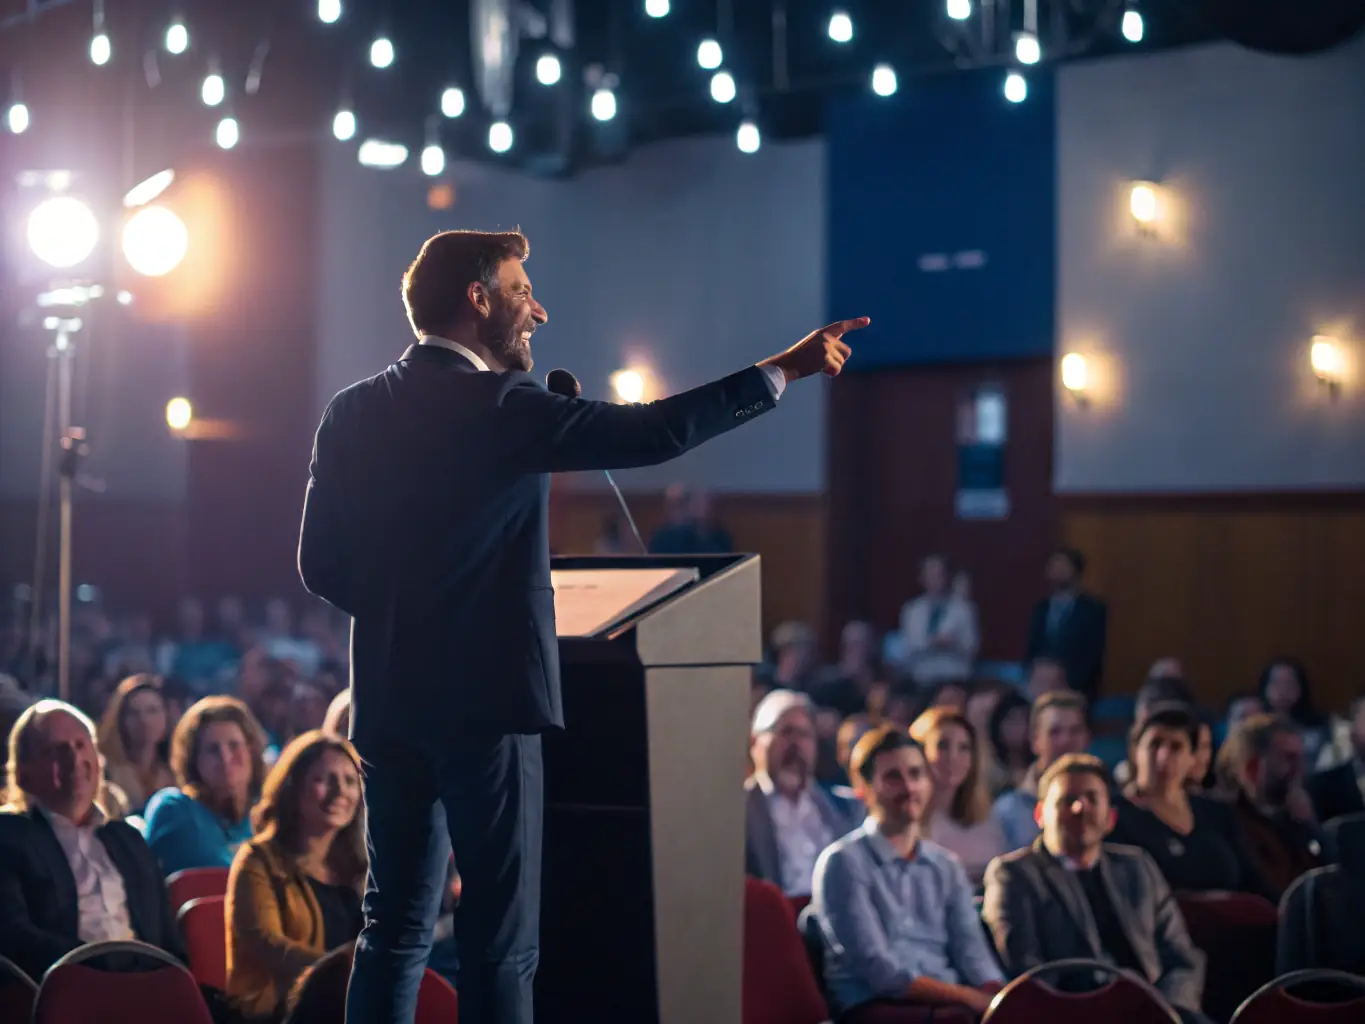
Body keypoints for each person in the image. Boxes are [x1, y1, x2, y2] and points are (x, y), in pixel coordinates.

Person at [296, 228, 867, 1024]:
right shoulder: (501, 405)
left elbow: (320, 565)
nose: (539, 308)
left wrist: (411, 614)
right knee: (501, 943)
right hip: (490, 708)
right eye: (523, 290)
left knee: (390, 929)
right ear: (478, 298)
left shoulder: (351, 410)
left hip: (390, 700)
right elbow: (654, 433)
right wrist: (783, 370)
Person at [982, 753, 1211, 1024]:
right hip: (1072, 1014)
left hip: (1155, 1010)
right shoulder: (1014, 874)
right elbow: (1028, 971)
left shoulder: (1136, 867)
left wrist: (1165, 1010)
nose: (1080, 808)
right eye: (1068, 800)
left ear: (1110, 818)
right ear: (1040, 814)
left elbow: (1182, 957)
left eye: (1092, 799)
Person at [811, 726, 1004, 1020]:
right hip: (872, 1006)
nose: (909, 787)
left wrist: (998, 996)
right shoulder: (842, 863)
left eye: (916, 774)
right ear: (863, 787)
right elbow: (881, 973)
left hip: (946, 1001)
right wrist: (971, 999)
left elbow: (973, 952)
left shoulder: (945, 865)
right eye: (892, 777)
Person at [0, 700, 182, 981]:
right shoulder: (11, 837)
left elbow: (168, 937)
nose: (74, 759)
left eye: (81, 745)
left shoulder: (127, 839)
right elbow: (14, 935)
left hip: (148, 985)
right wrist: (102, 966)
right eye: (56, 750)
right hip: (67, 991)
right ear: (24, 775)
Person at [226, 731, 367, 1021]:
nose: (340, 791)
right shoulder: (258, 860)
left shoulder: (358, 867)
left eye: (350, 781)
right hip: (276, 1013)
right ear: (293, 788)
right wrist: (348, 972)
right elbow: (268, 946)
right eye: (324, 779)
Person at [1109, 703, 1268, 896]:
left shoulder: (1217, 813)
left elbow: (1254, 882)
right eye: (1155, 744)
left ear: (1193, 757)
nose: (1163, 756)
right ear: (1135, 751)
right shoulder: (1113, 815)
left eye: (1176, 747)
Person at [744, 690, 861, 897]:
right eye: (785, 731)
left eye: (804, 734)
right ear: (755, 742)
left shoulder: (848, 807)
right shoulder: (738, 809)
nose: (796, 744)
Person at [143, 695, 265, 874]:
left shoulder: (266, 814)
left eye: (234, 745)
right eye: (212, 750)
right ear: (193, 760)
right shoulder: (175, 809)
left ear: (251, 752)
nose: (225, 758)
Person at [908, 707, 1010, 885]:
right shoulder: (905, 821)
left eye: (964, 748)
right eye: (942, 746)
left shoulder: (988, 822)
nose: (953, 757)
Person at [993, 691, 1092, 850]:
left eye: (1075, 731)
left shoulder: (1107, 803)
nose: (1066, 740)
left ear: (1087, 738)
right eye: (1055, 732)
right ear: (1035, 740)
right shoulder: (1006, 812)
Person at [1024, 549, 1107, 698]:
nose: (1057, 571)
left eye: (1062, 566)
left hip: (1077, 687)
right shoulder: (1042, 607)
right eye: (1053, 566)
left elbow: (1092, 653)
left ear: (1076, 570)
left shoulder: (1093, 609)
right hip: (1040, 684)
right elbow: (1032, 647)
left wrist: (1066, 680)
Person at [97, 674, 176, 814]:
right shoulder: (105, 772)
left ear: (167, 715)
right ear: (120, 720)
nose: (144, 720)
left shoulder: (176, 772)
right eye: (133, 713)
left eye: (153, 711)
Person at [898, 555, 979, 686]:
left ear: (947, 576)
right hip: (921, 680)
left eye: (938, 574)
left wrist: (954, 643)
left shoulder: (963, 609)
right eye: (930, 574)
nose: (934, 579)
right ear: (922, 578)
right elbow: (906, 648)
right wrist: (932, 642)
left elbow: (973, 647)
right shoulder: (912, 610)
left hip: (954, 680)